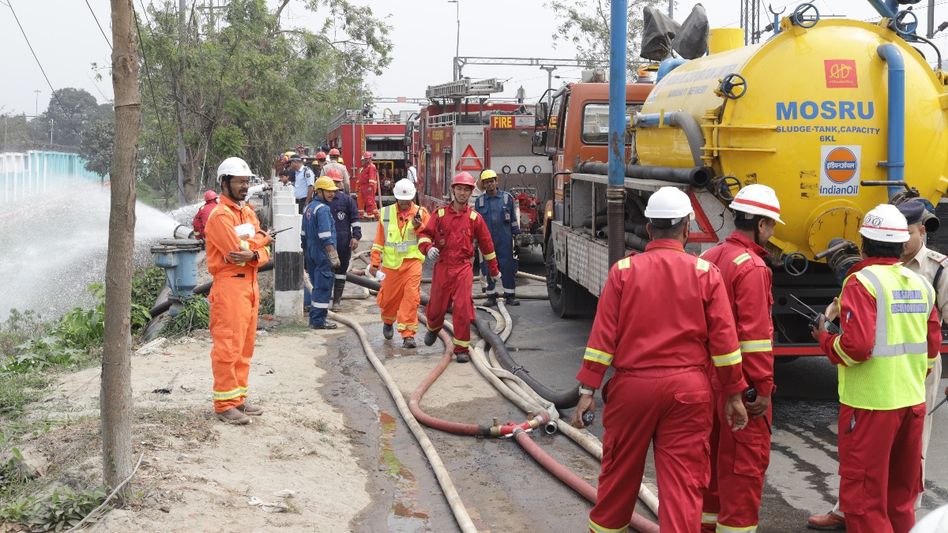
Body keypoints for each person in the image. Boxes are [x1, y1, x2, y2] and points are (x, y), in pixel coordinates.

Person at [570, 186, 749, 533]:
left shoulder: (623, 272)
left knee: (618, 479)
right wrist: (734, 394)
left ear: (649, 229)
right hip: (688, 393)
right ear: (687, 228)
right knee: (684, 487)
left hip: (633, 390)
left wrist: (587, 391)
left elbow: (601, 340)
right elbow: (726, 346)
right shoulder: (705, 274)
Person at [807, 199, 947, 531]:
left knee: (865, 500)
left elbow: (856, 348)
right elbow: (931, 347)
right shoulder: (920, 284)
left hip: (870, 407)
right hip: (911, 403)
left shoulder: (862, 282)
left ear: (864, 244)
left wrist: (825, 339)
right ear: (901, 243)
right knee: (900, 498)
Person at [699, 184, 783, 533]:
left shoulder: (707, 258)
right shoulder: (752, 267)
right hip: (741, 388)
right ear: (761, 225)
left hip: (706, 382)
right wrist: (762, 389)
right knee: (743, 470)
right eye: (772, 226)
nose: (773, 233)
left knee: (711, 469)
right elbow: (755, 341)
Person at [203, 157, 272, 425]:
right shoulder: (220, 216)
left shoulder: (247, 212)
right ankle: (224, 404)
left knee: (245, 346)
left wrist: (255, 249)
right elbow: (235, 254)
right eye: (239, 182)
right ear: (224, 183)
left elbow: (260, 252)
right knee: (228, 345)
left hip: (250, 284)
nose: (245, 187)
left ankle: (238, 399)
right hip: (230, 286)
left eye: (246, 182)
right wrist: (261, 243)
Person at [418, 171, 501, 363]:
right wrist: (428, 248)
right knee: (436, 307)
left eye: (466, 190)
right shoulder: (439, 214)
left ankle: (461, 348)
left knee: (462, 308)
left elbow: (487, 245)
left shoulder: (474, 218)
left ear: (471, 192)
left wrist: (494, 270)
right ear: (453, 190)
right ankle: (433, 326)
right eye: (459, 189)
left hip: (463, 268)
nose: (462, 193)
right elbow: (424, 235)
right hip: (442, 267)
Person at [368, 180, 430, 349]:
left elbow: (428, 236)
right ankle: (388, 321)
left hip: (413, 262)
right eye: (401, 199)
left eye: (407, 199)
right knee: (388, 300)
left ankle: (408, 335)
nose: (404, 203)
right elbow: (379, 241)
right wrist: (374, 262)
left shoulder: (421, 213)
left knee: (411, 297)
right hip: (391, 265)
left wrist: (419, 227)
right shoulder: (386, 214)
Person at [474, 169, 521, 306]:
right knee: (488, 268)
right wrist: (475, 240)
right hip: (486, 241)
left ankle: (510, 295)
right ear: (483, 184)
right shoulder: (479, 201)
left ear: (496, 181)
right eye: (486, 182)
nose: (489, 184)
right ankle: (491, 296)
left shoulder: (507, 198)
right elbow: (476, 223)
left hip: (504, 240)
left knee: (507, 266)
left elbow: (513, 219)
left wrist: (517, 236)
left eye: (491, 181)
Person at [303, 177, 342, 330]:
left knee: (316, 285)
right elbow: (325, 235)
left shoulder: (308, 208)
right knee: (323, 287)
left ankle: (315, 318)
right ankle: (318, 321)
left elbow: (303, 234)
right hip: (323, 254)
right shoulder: (323, 209)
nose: (332, 194)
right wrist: (333, 255)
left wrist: (306, 254)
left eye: (333, 191)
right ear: (319, 191)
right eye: (329, 191)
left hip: (311, 253)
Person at [326, 168, 361, 309]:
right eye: (333, 182)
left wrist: (356, 237)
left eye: (337, 182)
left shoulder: (347, 200)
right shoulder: (321, 200)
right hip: (327, 243)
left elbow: (355, 220)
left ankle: (337, 301)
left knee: (341, 271)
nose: (335, 185)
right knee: (326, 271)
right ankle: (325, 299)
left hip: (343, 241)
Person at [358, 151, 379, 219]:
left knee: (369, 201)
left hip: (368, 186)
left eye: (367, 159)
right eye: (365, 159)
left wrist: (370, 186)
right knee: (361, 200)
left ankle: (371, 215)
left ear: (370, 158)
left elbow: (371, 177)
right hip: (364, 186)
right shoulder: (365, 167)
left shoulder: (371, 167)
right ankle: (362, 215)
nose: (366, 160)